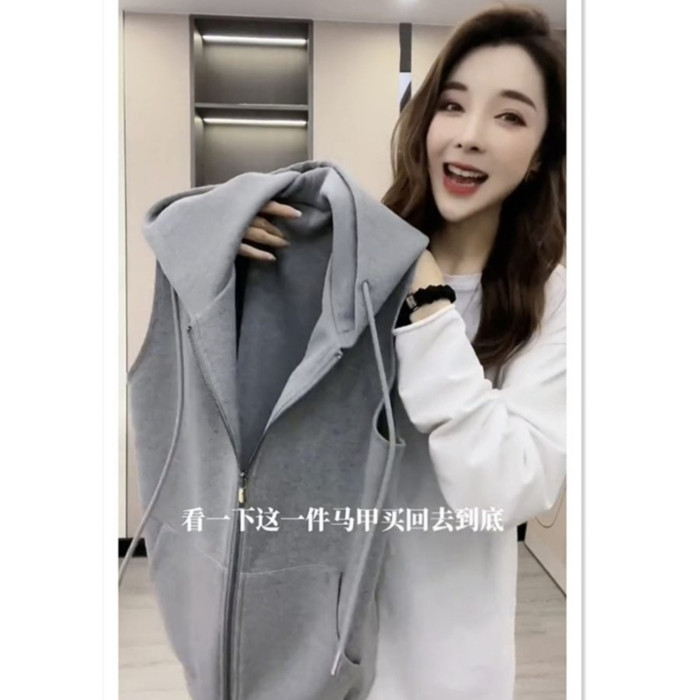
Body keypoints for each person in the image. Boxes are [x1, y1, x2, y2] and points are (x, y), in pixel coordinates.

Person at [237, 4, 566, 699]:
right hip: (310, 649)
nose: (470, 135)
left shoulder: (555, 301)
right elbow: (262, 430)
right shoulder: (346, 261)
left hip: (450, 666)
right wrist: (235, 278)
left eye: (510, 116)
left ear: (541, 154)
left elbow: (506, 489)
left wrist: (424, 297)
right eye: (453, 104)